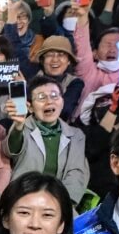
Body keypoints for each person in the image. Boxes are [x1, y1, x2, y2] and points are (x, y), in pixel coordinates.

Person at [5, 76, 90, 206]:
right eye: (41, 97)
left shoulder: (76, 135)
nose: (49, 101)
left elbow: (76, 173)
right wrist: (18, 126)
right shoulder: (23, 127)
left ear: (62, 102)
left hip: (60, 202)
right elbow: (11, 150)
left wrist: (60, 204)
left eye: (54, 96)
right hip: (22, 198)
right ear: (30, 107)